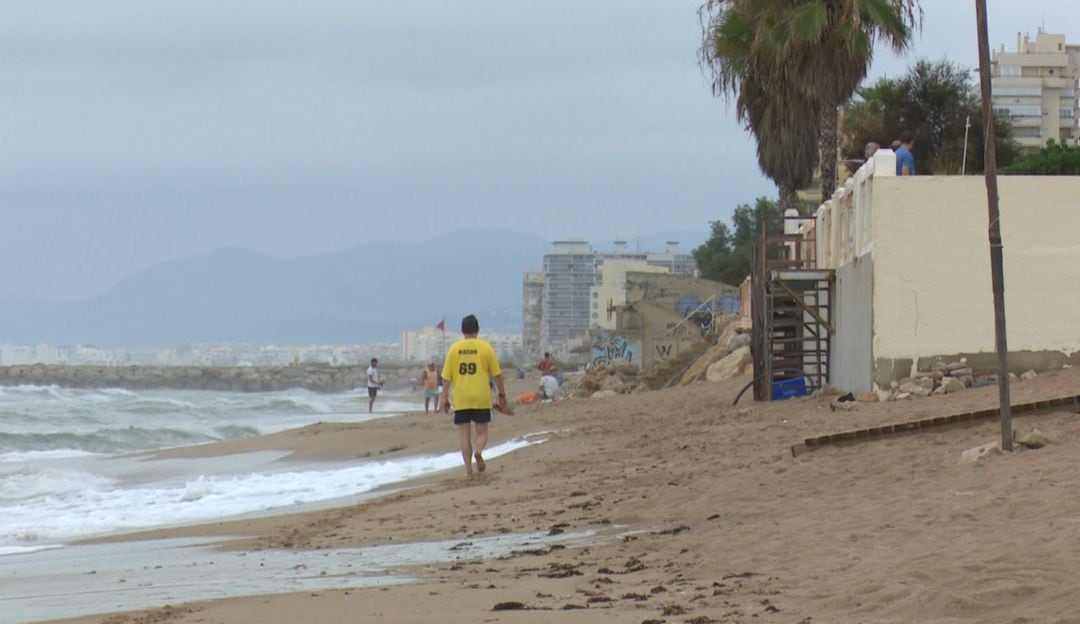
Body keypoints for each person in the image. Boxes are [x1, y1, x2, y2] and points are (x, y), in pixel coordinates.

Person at [440, 314, 507, 478]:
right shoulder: (486, 348)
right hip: (481, 396)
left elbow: (446, 377)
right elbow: (497, 374)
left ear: (462, 330)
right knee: (482, 432)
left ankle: (469, 471)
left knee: (464, 434)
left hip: (461, 397)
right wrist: (502, 393)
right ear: (477, 329)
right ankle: (478, 452)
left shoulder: (454, 349)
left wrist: (444, 398)